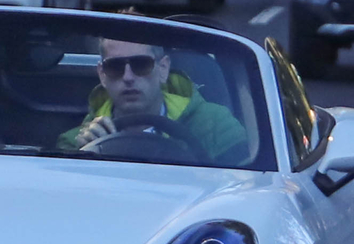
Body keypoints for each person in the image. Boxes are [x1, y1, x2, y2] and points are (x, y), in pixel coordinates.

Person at [59, 36, 249, 162]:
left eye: (141, 64)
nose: (128, 77)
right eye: (115, 67)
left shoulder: (215, 124)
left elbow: (247, 187)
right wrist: (82, 156)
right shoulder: (74, 143)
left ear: (163, 69)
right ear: (102, 75)